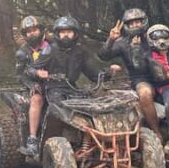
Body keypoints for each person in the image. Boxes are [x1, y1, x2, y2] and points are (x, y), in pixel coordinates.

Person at [21, 16, 119, 158]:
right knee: (59, 108)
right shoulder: (50, 50)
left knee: (90, 108)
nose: (66, 35)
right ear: (57, 34)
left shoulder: (80, 52)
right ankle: (33, 140)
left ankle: (90, 141)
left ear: (75, 34)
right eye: (62, 32)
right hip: (53, 88)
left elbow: (94, 73)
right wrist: (38, 73)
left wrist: (109, 72)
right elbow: (29, 69)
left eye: (69, 32)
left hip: (72, 88)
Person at [98, 8, 163, 142]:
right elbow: (103, 56)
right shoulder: (122, 42)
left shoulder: (154, 36)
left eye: (137, 22)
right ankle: (157, 133)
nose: (134, 26)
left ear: (143, 22)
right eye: (131, 23)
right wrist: (111, 40)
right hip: (141, 79)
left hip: (164, 76)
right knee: (144, 93)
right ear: (126, 25)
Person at [15, 16, 53, 157]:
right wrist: (32, 84)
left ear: (41, 30)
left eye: (35, 29)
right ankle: (32, 139)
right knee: (37, 99)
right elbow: (19, 75)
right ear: (25, 34)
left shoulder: (51, 46)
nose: (32, 33)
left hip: (54, 83)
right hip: (33, 85)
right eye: (28, 31)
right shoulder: (22, 52)